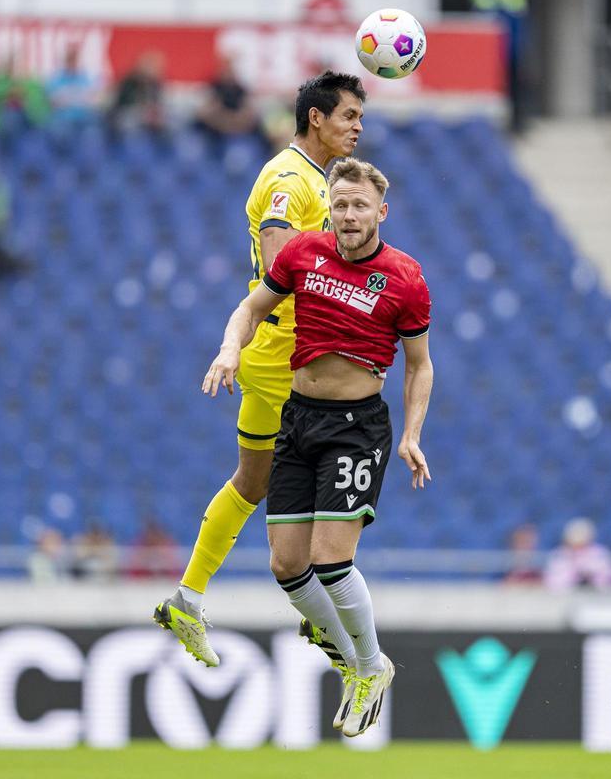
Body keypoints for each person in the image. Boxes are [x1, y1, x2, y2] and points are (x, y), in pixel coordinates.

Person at [200, 157, 432, 738]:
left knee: (331, 560)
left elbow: (420, 365)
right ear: (328, 206)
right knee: (285, 563)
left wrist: (411, 434)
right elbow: (252, 307)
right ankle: (362, 667)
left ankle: (371, 663)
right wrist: (230, 349)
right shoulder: (303, 253)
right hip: (297, 418)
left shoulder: (404, 277)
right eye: (340, 203)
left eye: (360, 206)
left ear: (382, 211)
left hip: (355, 426)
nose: (349, 215)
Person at [152, 71, 367, 669]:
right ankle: (329, 628)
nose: (357, 128)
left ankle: (188, 597)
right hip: (286, 360)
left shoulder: (320, 180)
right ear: (316, 118)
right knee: (324, 487)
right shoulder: (287, 177)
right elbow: (281, 262)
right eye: (348, 116)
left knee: (253, 482)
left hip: (278, 352)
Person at [470, 0, 529, 132]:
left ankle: (517, 126)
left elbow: (521, 28)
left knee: (515, 91)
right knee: (489, 94)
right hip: (487, 56)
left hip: (511, 53)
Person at [543, 518, 611, 591]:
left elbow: (610, 579)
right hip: (566, 597)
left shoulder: (600, 553)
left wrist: (590, 577)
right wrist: (575, 577)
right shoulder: (558, 554)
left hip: (597, 598)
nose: (578, 544)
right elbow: (552, 582)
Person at [0, 56, 49, 136]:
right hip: (3, 122)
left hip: (29, 122)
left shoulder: (32, 84)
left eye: (19, 65)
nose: (17, 68)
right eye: (13, 65)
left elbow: (40, 111)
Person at [195, 58, 260, 139]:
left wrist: (231, 124)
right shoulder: (211, 88)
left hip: (240, 133)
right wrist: (224, 123)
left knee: (241, 149)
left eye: (231, 69)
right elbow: (205, 114)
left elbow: (249, 116)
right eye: (225, 68)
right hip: (211, 133)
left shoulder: (244, 89)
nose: (228, 72)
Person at [108, 52, 166, 135]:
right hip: (125, 114)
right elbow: (122, 104)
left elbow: (157, 104)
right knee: (126, 124)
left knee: (166, 124)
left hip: (146, 117)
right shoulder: (129, 82)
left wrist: (154, 113)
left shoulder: (155, 85)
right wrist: (143, 111)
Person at [46, 45, 99, 130]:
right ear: (66, 61)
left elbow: (93, 100)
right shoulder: (56, 79)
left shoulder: (86, 78)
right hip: (63, 119)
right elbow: (53, 103)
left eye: (75, 60)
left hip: (84, 119)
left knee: (93, 134)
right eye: (70, 59)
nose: (72, 63)